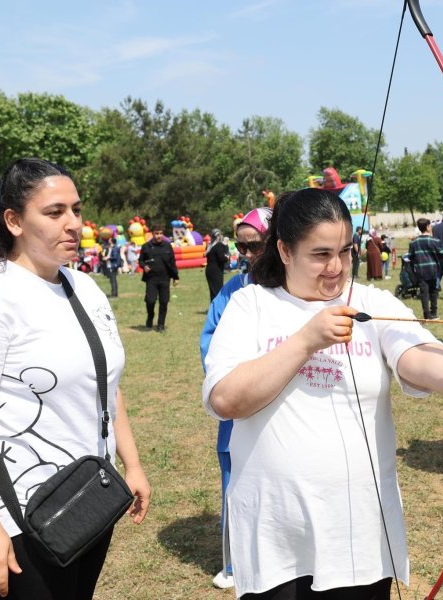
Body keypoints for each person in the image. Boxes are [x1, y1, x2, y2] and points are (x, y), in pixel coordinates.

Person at [202, 188, 443, 599]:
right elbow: (226, 399)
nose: (336, 267)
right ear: (285, 251)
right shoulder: (250, 305)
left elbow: (420, 357)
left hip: (358, 538)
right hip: (277, 538)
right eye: (320, 254)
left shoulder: (369, 302)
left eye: (346, 251)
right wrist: (306, 340)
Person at [0, 158, 150, 599]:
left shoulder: (82, 288)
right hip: (21, 516)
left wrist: (132, 464)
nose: (73, 224)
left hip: (90, 494)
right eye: (54, 213)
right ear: (13, 220)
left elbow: (105, 385)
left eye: (76, 209)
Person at [199, 206, 272, 590]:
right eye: (240, 248)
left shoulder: (297, 287)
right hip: (238, 417)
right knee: (235, 486)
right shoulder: (232, 291)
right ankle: (234, 564)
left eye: (254, 246)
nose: (245, 255)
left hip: (286, 416)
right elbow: (210, 345)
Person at [139, 226, 179, 332]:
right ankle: (150, 316)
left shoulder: (167, 246)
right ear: (152, 234)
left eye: (161, 233)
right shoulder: (146, 247)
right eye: (157, 233)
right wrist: (144, 266)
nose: (159, 236)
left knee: (164, 302)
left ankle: (161, 325)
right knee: (150, 300)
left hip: (165, 278)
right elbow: (141, 261)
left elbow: (172, 262)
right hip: (151, 279)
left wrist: (175, 277)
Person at [407, 218, 443, 321]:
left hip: (420, 271)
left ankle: (426, 315)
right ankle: (434, 313)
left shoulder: (414, 242)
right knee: (433, 291)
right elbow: (442, 254)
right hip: (433, 270)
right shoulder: (435, 241)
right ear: (428, 227)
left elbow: (410, 256)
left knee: (424, 293)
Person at [205, 228, 229, 302]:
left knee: (213, 290)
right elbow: (221, 258)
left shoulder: (210, 246)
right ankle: (217, 307)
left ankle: (213, 305)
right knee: (217, 290)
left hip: (209, 269)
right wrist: (227, 258)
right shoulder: (219, 245)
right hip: (216, 270)